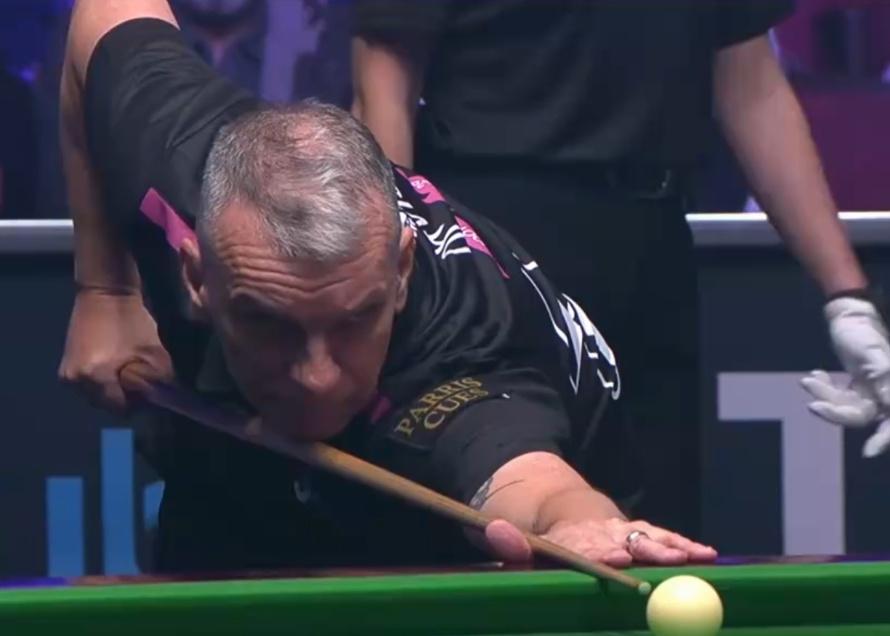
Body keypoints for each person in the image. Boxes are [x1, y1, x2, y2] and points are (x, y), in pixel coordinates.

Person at [57, 0, 717, 573]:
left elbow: (534, 484)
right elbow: (104, 15)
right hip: (236, 479)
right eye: (271, 323)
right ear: (198, 275)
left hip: (445, 526)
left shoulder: (459, 357)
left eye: (352, 321)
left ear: (399, 273)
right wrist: (105, 292)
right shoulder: (177, 158)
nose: (317, 376)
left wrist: (579, 523)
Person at [350, 1, 890, 539]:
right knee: (511, 491)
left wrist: (847, 298)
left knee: (662, 519)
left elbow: (753, 90)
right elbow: (383, 93)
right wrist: (409, 271)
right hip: (496, 237)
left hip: (653, 237)